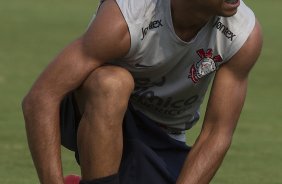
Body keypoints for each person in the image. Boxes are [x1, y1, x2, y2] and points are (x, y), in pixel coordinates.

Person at [22, 0, 263, 183]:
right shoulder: (128, 15)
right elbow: (41, 98)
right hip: (91, 110)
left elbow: (216, 134)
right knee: (113, 83)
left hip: (164, 136)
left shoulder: (243, 33)